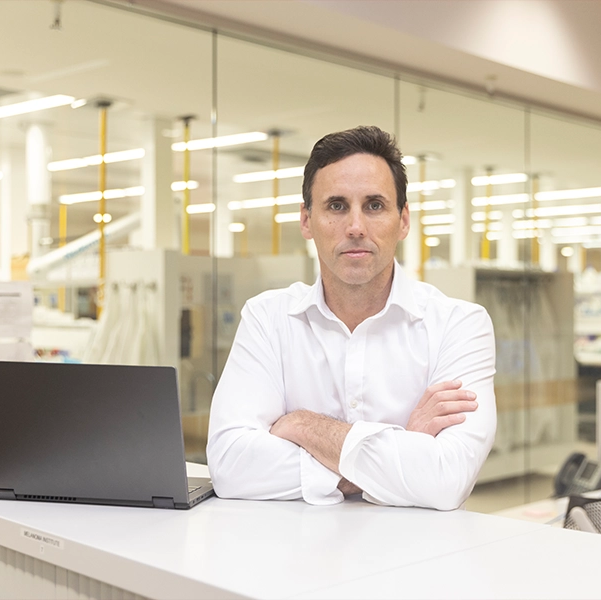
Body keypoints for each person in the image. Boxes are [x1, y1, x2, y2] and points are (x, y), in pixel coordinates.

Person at [206, 126, 496, 511]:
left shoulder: (459, 326)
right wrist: (400, 447)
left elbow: (445, 481)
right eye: (336, 206)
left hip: (419, 563)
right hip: (292, 561)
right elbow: (230, 464)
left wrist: (304, 426)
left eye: (374, 205)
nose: (356, 227)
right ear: (307, 221)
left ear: (403, 220)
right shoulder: (268, 319)